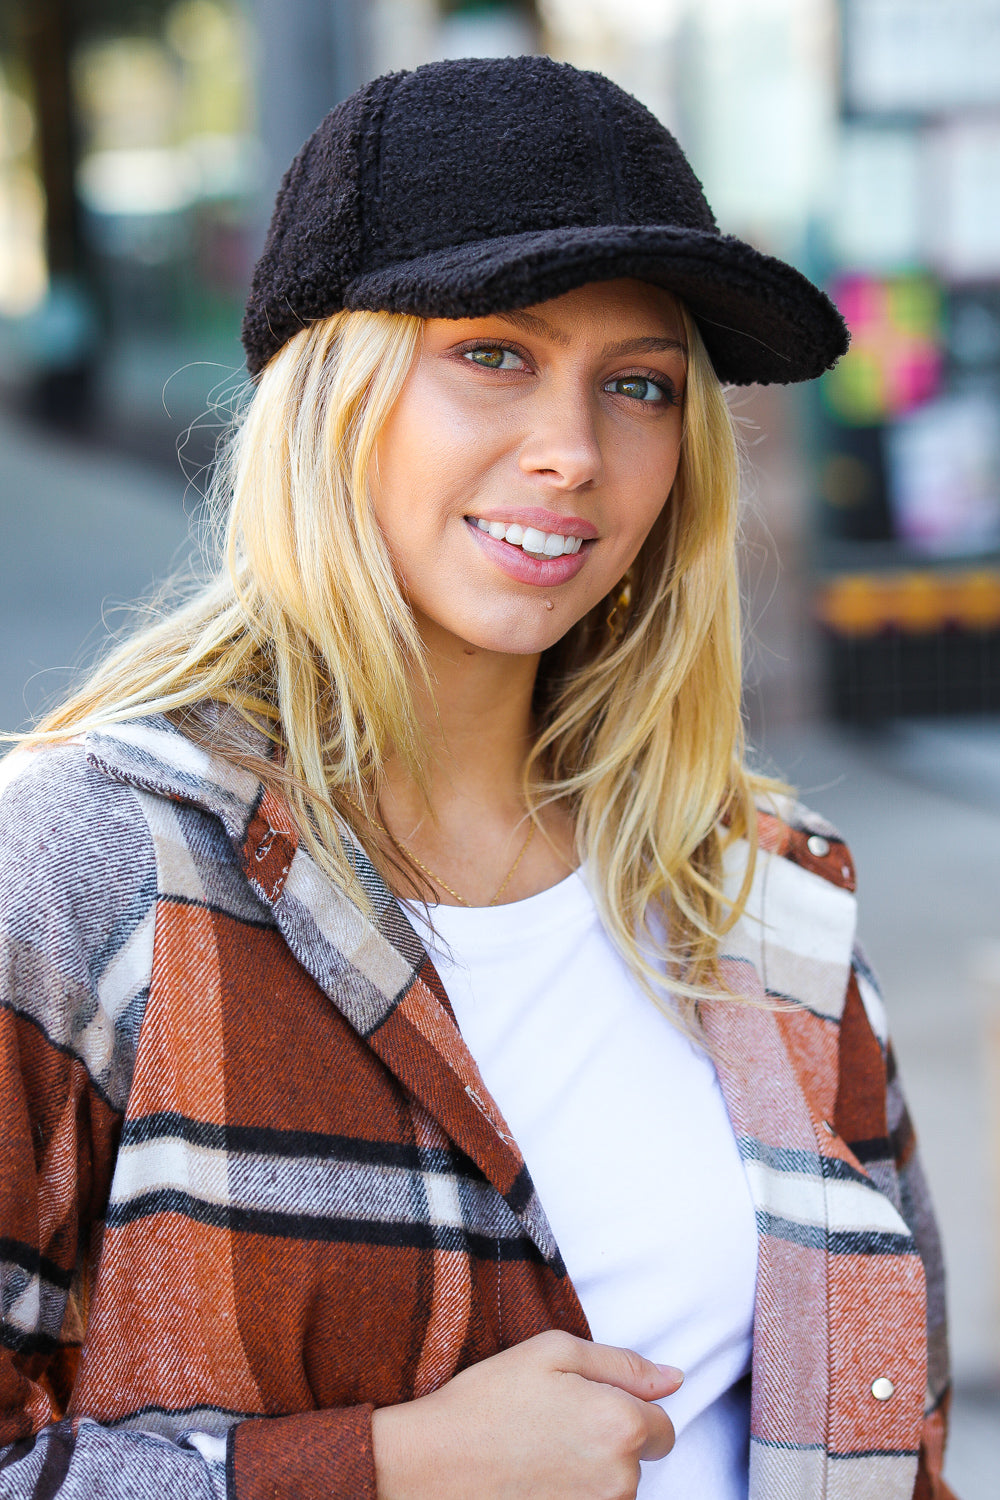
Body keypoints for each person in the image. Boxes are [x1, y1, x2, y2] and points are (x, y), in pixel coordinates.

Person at [0, 55, 953, 1500]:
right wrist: (382, 1469)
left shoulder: (765, 895)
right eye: (493, 355)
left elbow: (903, 1434)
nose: (572, 451)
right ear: (338, 393)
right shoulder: (90, 872)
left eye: (635, 385)